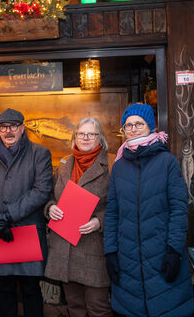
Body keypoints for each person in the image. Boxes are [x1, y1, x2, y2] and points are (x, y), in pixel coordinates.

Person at [104, 103, 194, 317]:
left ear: (151, 127)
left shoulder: (167, 162)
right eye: (128, 125)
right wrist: (110, 251)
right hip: (127, 259)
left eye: (139, 124)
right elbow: (112, 212)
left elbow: (178, 209)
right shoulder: (118, 166)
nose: (133, 129)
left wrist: (174, 250)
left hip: (161, 255)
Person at [0, 108, 53, 317]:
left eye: (13, 126)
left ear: (22, 128)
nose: (8, 131)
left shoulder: (39, 153)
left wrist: (7, 216)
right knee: (5, 288)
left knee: (31, 289)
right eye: (3, 127)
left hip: (27, 230)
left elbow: (42, 190)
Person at [44, 117, 113, 317]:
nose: (85, 138)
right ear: (75, 136)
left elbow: (120, 205)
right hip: (63, 247)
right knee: (74, 308)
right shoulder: (65, 163)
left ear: (100, 137)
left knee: (98, 308)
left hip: (92, 247)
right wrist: (50, 208)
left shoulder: (111, 163)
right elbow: (49, 196)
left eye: (91, 134)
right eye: (81, 133)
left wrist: (99, 221)